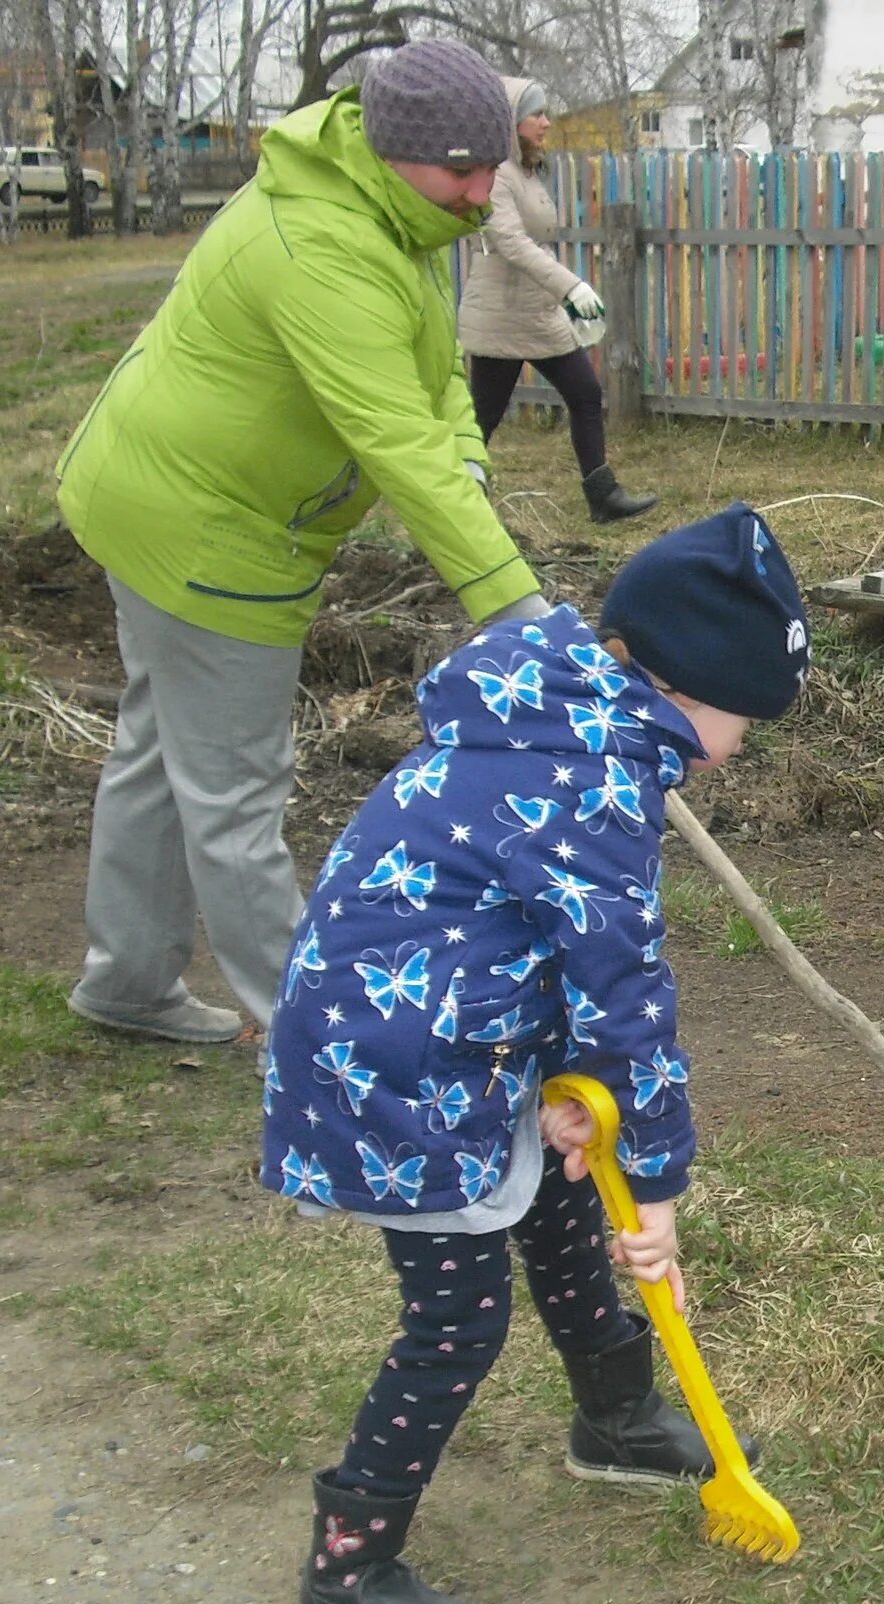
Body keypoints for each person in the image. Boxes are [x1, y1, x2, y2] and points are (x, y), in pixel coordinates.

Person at [262, 502, 811, 1604]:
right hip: (399, 1082)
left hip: (450, 1042)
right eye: (747, 720)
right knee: (455, 1321)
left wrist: (563, 1092)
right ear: (689, 692)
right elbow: (625, 999)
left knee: (563, 1207)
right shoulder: (590, 787)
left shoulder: (549, 726)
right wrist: (657, 1183)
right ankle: (347, 1567)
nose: (745, 745)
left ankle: (614, 1417)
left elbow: (528, 934)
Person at [58, 40, 549, 1046]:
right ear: (396, 147)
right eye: (465, 168)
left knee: (163, 753)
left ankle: (128, 983)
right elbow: (394, 440)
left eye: (491, 165)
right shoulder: (320, 245)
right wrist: (519, 613)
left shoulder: (404, 212)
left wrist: (473, 467)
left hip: (178, 501)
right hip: (205, 529)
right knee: (237, 787)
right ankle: (322, 1038)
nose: (481, 190)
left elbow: (437, 379)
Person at [459, 76, 658, 525]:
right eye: (537, 115)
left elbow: (536, 242)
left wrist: (566, 296)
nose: (547, 123)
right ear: (511, 122)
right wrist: (570, 287)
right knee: (483, 417)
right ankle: (455, 503)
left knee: (585, 393)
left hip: (537, 312)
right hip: (502, 317)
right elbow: (509, 241)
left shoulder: (528, 172)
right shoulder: (496, 177)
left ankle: (603, 497)